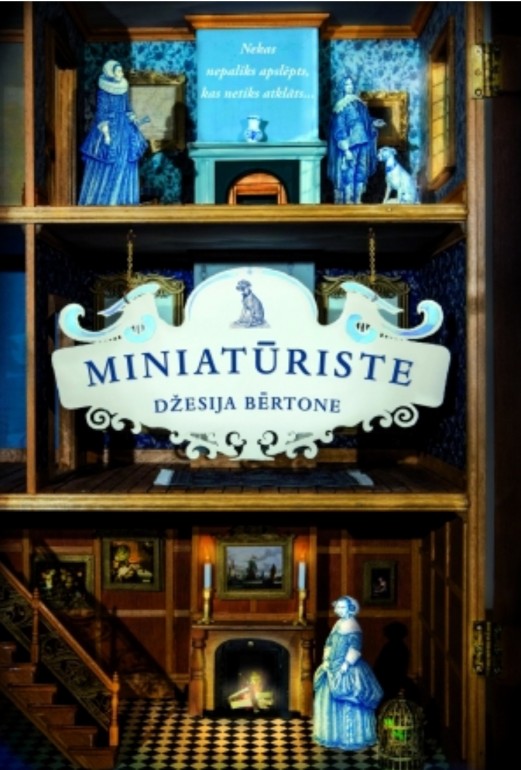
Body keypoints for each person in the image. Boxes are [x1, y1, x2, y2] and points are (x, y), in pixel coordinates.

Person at [313, 595, 383, 751]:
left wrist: (346, 664)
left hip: (348, 668)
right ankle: (333, 736)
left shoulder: (353, 625)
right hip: (331, 666)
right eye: (338, 607)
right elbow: (329, 643)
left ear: (350, 609)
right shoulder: (338, 623)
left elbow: (355, 648)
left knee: (349, 701)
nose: (339, 610)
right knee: (329, 700)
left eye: (343, 607)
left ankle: (351, 738)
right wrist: (326, 660)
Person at [78, 60, 149, 205]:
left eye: (121, 70)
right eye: (118, 71)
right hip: (110, 128)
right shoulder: (104, 91)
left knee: (125, 162)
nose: (121, 73)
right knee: (107, 162)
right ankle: (105, 201)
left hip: (125, 129)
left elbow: (128, 108)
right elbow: (101, 113)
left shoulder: (123, 87)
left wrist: (133, 118)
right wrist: (106, 133)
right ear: (111, 73)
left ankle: (123, 200)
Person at [327, 76, 385, 204]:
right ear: (342, 87)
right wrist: (345, 149)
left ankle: (357, 200)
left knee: (361, 172)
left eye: (351, 84)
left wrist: (374, 122)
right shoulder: (340, 106)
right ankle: (348, 201)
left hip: (363, 142)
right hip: (350, 143)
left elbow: (365, 121)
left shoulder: (359, 104)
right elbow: (339, 128)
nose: (350, 87)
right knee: (349, 173)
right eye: (347, 84)